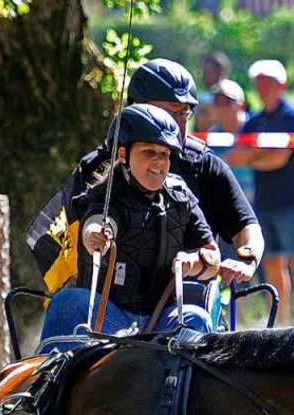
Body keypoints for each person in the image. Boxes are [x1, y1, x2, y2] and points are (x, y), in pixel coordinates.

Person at [26, 58, 263, 297]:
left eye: (184, 114)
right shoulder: (98, 165)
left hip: (186, 305)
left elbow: (246, 226)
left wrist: (247, 258)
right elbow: (61, 239)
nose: (177, 124)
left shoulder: (204, 165)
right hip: (107, 306)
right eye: (169, 113)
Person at [37, 104, 220, 352]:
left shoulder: (181, 196)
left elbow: (211, 256)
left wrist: (194, 262)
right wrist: (95, 236)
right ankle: (47, 383)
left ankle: (190, 390)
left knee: (197, 318)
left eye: (164, 154)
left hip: (162, 320)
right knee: (67, 302)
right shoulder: (106, 193)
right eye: (148, 152)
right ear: (123, 154)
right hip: (109, 318)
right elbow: (97, 221)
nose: (158, 162)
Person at [228, 59, 294, 325]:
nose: (262, 88)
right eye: (259, 83)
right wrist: (261, 155)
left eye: (268, 82)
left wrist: (255, 156)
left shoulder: (291, 117)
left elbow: (279, 158)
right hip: (264, 202)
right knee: (271, 264)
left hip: (291, 200)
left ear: (282, 85)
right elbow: (235, 155)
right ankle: (281, 322)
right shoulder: (255, 121)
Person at [208, 79, 254, 205]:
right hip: (225, 204)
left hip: (258, 204)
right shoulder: (211, 136)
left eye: (227, 102)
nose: (222, 108)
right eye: (218, 102)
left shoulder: (254, 128)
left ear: (242, 105)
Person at [194, 51, 230, 132]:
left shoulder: (232, 94)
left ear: (220, 72)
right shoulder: (202, 96)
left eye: (207, 72)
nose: (202, 76)